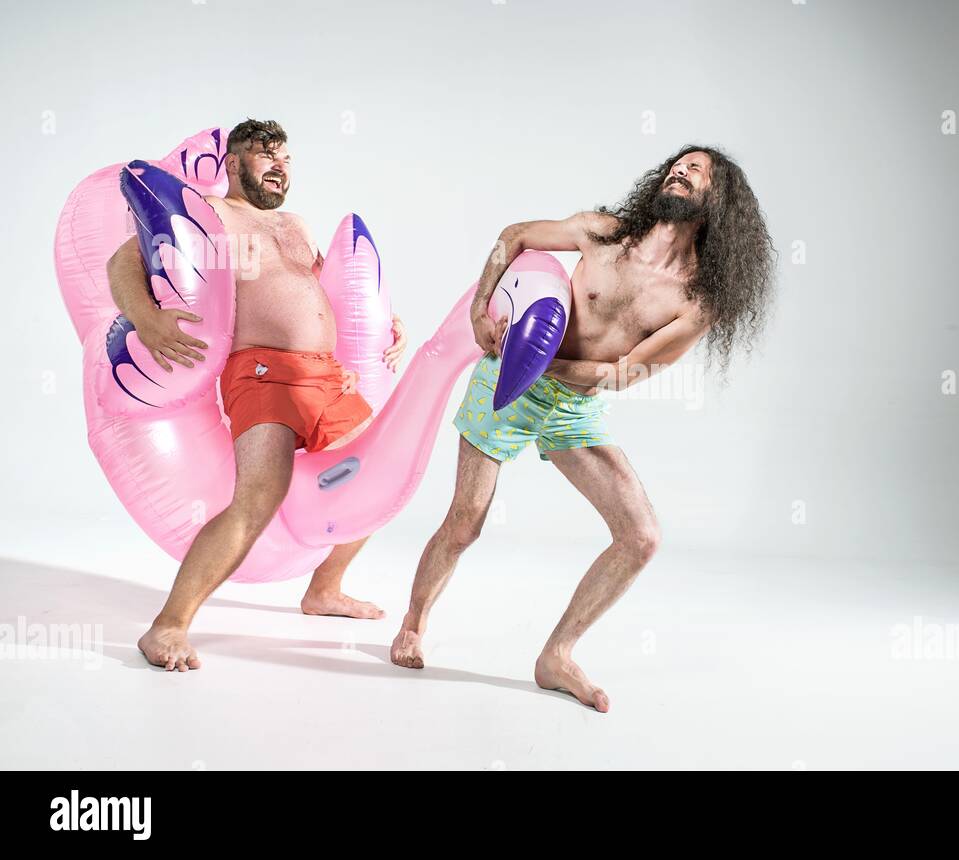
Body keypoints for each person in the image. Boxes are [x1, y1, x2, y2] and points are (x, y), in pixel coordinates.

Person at [390, 145, 775, 712]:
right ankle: (414, 623)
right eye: (679, 164)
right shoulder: (602, 233)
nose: (681, 171)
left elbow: (626, 373)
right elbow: (514, 234)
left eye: (697, 171)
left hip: (576, 403)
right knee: (465, 522)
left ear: (719, 202)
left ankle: (557, 656)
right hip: (505, 387)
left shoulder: (697, 299)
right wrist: (480, 309)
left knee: (640, 537)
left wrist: (542, 363)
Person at [107, 119, 408, 671]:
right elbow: (123, 262)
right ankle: (167, 626)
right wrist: (146, 321)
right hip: (263, 373)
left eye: (285, 157)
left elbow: (321, 290)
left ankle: (324, 590)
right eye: (264, 155)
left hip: (324, 375)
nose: (278, 165)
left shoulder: (295, 224)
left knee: (382, 476)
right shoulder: (212, 214)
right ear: (233, 164)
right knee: (256, 500)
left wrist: (393, 324)